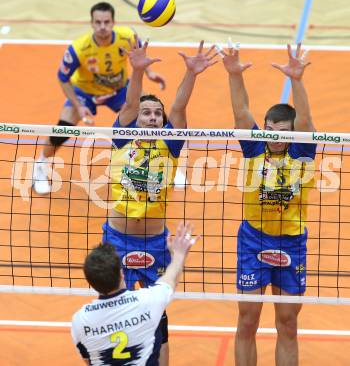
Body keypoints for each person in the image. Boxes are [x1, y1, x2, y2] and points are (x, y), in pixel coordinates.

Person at [102, 37, 217, 365]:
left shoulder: (170, 144)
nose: (151, 117)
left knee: (158, 317)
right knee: (115, 312)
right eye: (146, 113)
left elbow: (179, 109)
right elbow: (128, 105)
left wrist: (191, 74)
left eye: (157, 114)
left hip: (154, 242)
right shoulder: (123, 139)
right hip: (116, 240)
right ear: (136, 118)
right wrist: (136, 71)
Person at [222, 42, 316, 366]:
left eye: (281, 131)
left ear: (293, 133)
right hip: (253, 240)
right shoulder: (253, 149)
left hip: (292, 242)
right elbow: (240, 112)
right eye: (269, 129)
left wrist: (298, 80)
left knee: (287, 324)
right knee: (247, 321)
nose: (274, 136)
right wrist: (234, 74)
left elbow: (306, 120)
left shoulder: (302, 152)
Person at [32, 1, 165, 195]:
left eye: (106, 22)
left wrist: (150, 72)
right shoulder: (79, 48)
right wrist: (78, 106)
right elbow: (63, 78)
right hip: (85, 93)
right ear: (92, 23)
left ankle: (165, 164)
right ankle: (40, 165)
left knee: (151, 116)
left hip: (118, 90)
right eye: (98, 22)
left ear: (113, 22)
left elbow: (139, 57)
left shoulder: (127, 37)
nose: (102, 26)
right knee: (63, 127)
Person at [71, 222, 198, 365]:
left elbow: (89, 361)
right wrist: (179, 254)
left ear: (91, 282)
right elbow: (171, 278)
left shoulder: (80, 320)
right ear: (121, 273)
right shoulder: (148, 302)